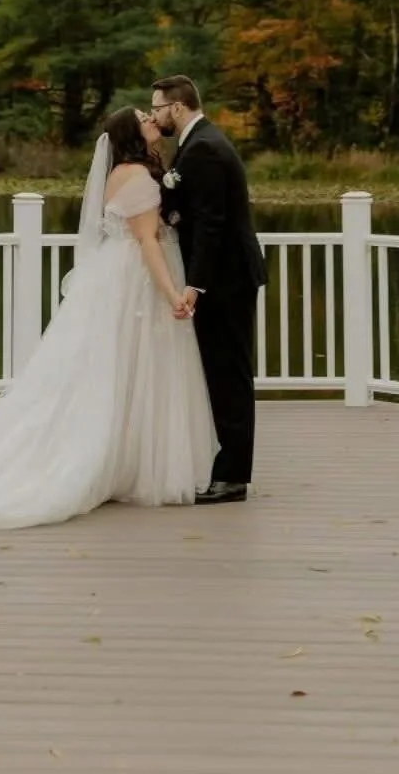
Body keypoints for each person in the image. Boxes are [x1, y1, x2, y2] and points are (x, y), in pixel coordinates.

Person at [0, 106, 216, 529]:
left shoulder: (131, 170)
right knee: (119, 369)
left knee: (116, 371)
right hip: (134, 284)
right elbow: (147, 242)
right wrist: (173, 292)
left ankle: (120, 460)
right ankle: (98, 460)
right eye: (144, 118)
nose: (153, 120)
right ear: (130, 134)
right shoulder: (135, 176)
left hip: (118, 281)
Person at [150, 75, 267, 504]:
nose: (156, 115)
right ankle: (228, 468)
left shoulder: (206, 150)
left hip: (227, 281)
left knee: (229, 375)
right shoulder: (197, 144)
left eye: (158, 107)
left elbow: (213, 224)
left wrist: (194, 286)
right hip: (224, 278)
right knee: (221, 374)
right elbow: (195, 213)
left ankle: (233, 477)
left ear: (177, 108)